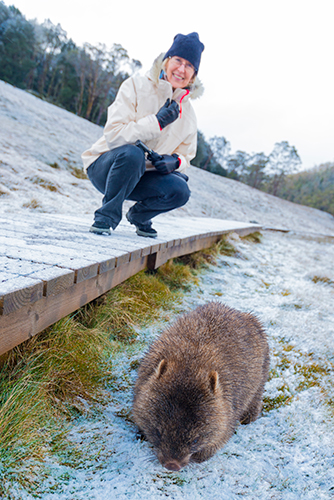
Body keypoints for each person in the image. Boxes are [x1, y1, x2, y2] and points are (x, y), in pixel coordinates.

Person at [81, 32, 204, 238]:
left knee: (180, 190)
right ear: (167, 61)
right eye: (178, 61)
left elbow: (186, 154)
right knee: (132, 154)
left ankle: (139, 216)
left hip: (142, 178)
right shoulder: (135, 85)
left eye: (189, 66)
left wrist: (175, 162)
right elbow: (114, 135)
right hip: (106, 168)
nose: (181, 69)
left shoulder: (189, 114)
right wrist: (157, 122)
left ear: (194, 74)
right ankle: (105, 218)